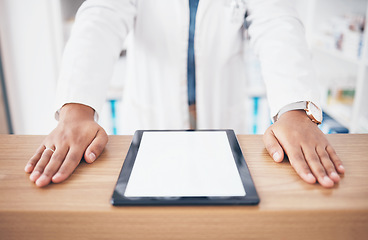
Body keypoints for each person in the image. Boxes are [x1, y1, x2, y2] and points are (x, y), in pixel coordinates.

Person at [24, 0, 345, 188]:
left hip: (223, 113)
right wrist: (77, 110)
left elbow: (276, 21)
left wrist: (293, 110)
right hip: (152, 112)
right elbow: (100, 16)